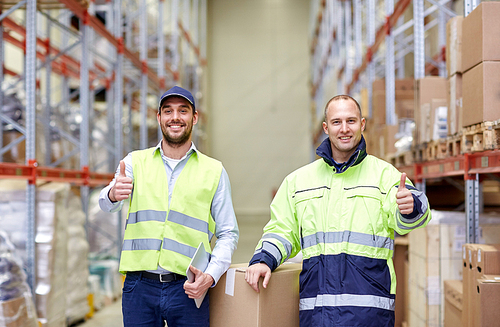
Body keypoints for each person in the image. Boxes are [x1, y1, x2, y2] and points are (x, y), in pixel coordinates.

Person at [245, 95, 431, 326]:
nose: (344, 129)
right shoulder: (298, 181)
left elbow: (413, 217)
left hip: (369, 314)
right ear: (326, 128)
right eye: (336, 122)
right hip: (317, 312)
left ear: (362, 124)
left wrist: (410, 207)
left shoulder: (384, 175)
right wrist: (264, 260)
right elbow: (281, 230)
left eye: (351, 121)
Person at [99, 85, 239, 327]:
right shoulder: (135, 162)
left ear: (194, 118)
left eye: (183, 111)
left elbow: (228, 233)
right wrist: (112, 194)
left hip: (188, 287)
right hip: (139, 287)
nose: (175, 117)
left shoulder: (213, 170)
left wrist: (211, 276)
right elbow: (106, 204)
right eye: (168, 111)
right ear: (159, 117)